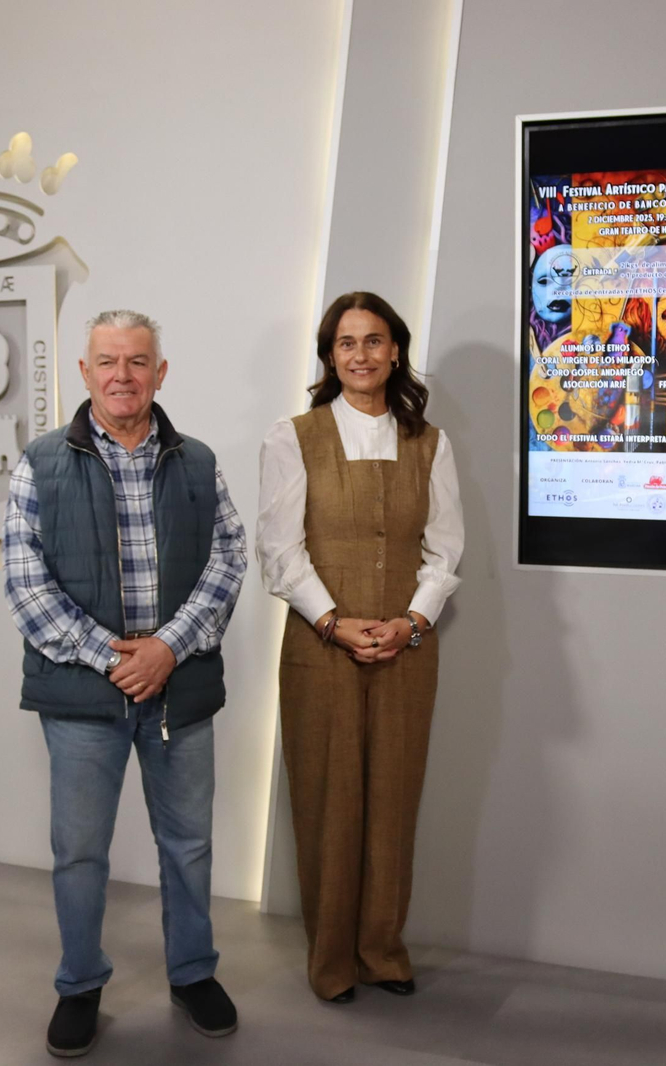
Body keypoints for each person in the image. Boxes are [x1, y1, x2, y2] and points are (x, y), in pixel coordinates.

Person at [2, 309, 246, 1058]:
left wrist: (167, 648)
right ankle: (79, 983)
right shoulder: (40, 463)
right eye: (107, 361)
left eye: (138, 362)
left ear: (159, 373)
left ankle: (193, 972)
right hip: (83, 695)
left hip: (180, 686)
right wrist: (115, 659)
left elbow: (229, 559)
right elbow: (25, 583)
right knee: (79, 852)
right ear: (85, 372)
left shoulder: (198, 462)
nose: (122, 376)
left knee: (189, 845)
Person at [256, 291, 463, 1003]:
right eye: (346, 343)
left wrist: (412, 621)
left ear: (395, 351)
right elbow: (280, 550)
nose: (361, 355)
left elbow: (445, 549)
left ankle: (382, 949)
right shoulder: (293, 437)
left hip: (407, 648)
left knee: (393, 798)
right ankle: (332, 961)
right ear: (329, 355)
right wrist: (333, 621)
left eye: (374, 340)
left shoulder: (429, 442)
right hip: (320, 648)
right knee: (328, 799)